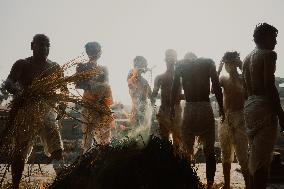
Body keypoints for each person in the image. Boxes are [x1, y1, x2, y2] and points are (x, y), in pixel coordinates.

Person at [4, 34, 64, 189]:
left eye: (47, 45)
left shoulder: (55, 67)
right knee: (20, 151)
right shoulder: (22, 64)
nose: (44, 48)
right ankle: (16, 185)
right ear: (32, 46)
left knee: (57, 148)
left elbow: (63, 89)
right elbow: (9, 82)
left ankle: (64, 181)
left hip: (48, 112)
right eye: (40, 44)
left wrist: (62, 104)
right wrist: (19, 91)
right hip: (27, 112)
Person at [171, 54, 224, 188]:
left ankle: (187, 182)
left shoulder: (181, 64)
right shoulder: (208, 62)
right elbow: (216, 86)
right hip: (205, 108)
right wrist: (222, 108)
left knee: (185, 151)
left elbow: (175, 86)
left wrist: (172, 107)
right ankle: (210, 185)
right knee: (209, 152)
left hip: (189, 109)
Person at [243, 23, 284, 189]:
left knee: (254, 158)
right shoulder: (269, 55)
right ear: (264, 37)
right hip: (264, 107)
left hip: (250, 107)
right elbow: (269, 85)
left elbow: (245, 88)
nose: (275, 41)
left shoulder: (247, 58)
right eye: (273, 37)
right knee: (262, 162)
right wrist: (281, 115)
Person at [218, 51, 249, 189]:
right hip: (225, 118)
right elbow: (213, 89)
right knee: (225, 153)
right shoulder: (223, 78)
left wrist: (241, 65)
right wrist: (218, 68)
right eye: (225, 64)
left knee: (242, 153)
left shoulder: (244, 78)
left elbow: (249, 89)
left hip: (240, 117)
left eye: (228, 63)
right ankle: (227, 184)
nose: (226, 66)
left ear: (234, 64)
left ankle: (249, 184)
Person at [76, 41, 113, 153]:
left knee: (105, 137)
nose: (96, 53)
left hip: (102, 105)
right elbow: (78, 84)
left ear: (100, 52)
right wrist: (91, 86)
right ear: (87, 52)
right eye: (92, 50)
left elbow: (106, 85)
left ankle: (103, 160)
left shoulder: (104, 68)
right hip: (88, 105)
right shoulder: (81, 67)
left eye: (97, 50)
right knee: (88, 136)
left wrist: (96, 89)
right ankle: (86, 161)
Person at [151, 49, 182, 149]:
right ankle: (167, 162)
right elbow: (154, 96)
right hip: (164, 110)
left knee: (178, 140)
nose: (170, 60)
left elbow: (188, 93)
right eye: (168, 58)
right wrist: (151, 109)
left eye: (172, 58)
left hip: (177, 110)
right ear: (165, 60)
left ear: (176, 60)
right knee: (164, 140)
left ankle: (178, 161)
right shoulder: (159, 77)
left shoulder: (181, 76)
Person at [127, 56, 152, 126]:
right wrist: (142, 69)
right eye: (144, 65)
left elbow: (151, 95)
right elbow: (134, 72)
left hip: (144, 111)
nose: (146, 67)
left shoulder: (145, 82)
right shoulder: (131, 74)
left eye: (145, 65)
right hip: (136, 110)